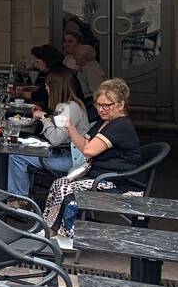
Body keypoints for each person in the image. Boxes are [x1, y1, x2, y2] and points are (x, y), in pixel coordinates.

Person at [44, 77, 144, 247]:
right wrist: (69, 126)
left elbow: (89, 151)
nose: (101, 109)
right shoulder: (104, 122)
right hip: (101, 177)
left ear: (120, 105)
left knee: (66, 189)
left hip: (119, 183)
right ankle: (49, 231)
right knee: (58, 183)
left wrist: (74, 132)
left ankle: (65, 237)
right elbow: (84, 144)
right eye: (98, 105)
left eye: (107, 105)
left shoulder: (120, 125)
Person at [8, 71, 89, 197]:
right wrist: (46, 115)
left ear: (56, 88)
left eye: (47, 86)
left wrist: (44, 117)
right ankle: (18, 198)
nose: (46, 89)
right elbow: (60, 123)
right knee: (20, 149)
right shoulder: (72, 104)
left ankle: (19, 199)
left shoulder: (69, 108)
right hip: (68, 154)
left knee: (16, 155)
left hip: (69, 159)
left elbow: (56, 139)